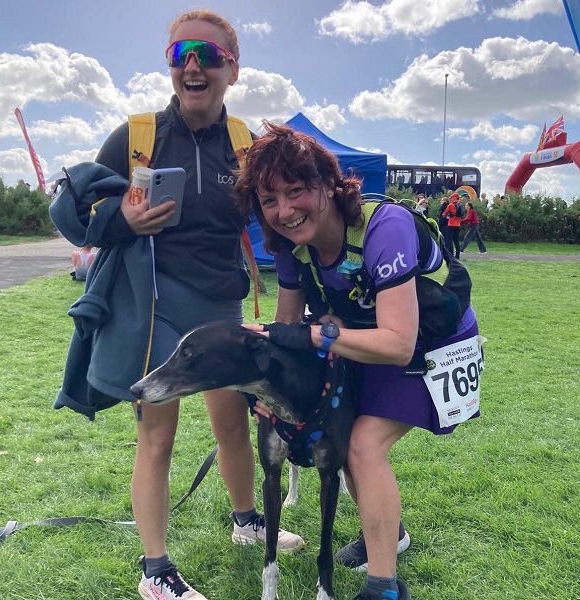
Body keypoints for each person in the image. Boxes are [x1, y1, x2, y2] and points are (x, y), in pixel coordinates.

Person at [49, 11, 303, 600]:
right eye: (180, 54)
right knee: (158, 437)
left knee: (232, 425)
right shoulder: (137, 135)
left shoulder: (245, 144)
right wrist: (123, 219)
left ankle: (247, 521)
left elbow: (286, 212)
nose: (193, 64)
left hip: (223, 306)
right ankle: (156, 571)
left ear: (232, 69)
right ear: (169, 64)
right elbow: (73, 215)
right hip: (157, 308)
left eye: (207, 55)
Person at [235, 122, 482, 600]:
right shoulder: (288, 246)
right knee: (341, 429)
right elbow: (287, 333)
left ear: (328, 184)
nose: (284, 211)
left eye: (296, 190)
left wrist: (320, 333)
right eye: (269, 200)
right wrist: (267, 392)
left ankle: (383, 588)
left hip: (437, 342)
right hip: (370, 337)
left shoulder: (383, 226)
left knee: (363, 445)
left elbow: (398, 344)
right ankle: (391, 533)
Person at [442, 192, 463, 258]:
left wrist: (445, 215)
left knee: (449, 240)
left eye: (451, 198)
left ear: (454, 198)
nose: (450, 199)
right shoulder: (461, 205)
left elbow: (444, 214)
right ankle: (457, 255)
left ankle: (450, 255)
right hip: (458, 225)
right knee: (456, 241)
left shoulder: (451, 205)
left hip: (451, 224)